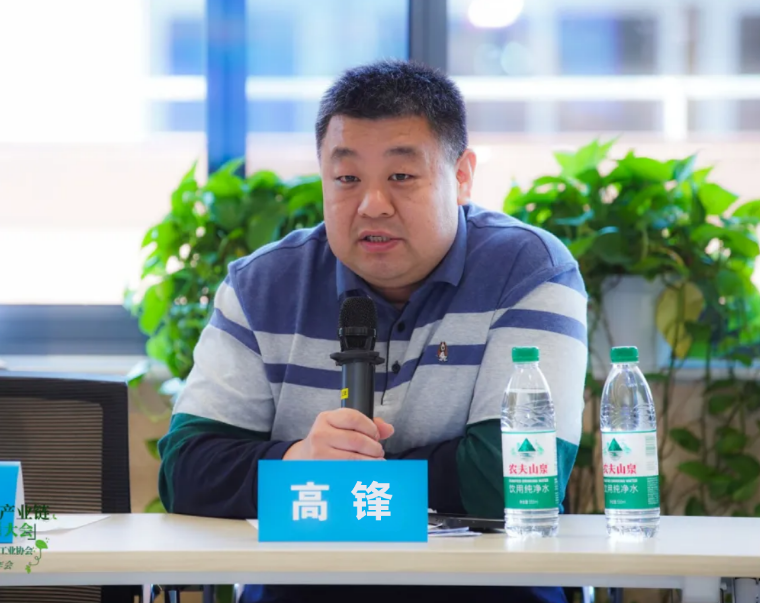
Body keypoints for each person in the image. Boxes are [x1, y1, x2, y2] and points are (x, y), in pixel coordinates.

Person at [157, 59, 587, 603]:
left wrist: (328, 481)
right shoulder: (263, 285)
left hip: (487, 592)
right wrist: (297, 461)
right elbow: (186, 472)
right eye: (347, 179)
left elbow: (511, 479)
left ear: (461, 177)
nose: (372, 205)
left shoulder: (528, 271)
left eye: (401, 176)